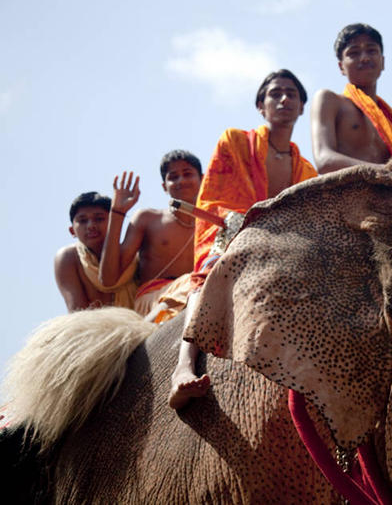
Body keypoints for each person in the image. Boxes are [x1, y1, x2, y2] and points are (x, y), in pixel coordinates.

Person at [169, 69, 318, 410]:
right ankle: (182, 368)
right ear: (260, 106)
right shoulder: (234, 141)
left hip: (283, 249)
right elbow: (214, 200)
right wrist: (246, 224)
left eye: (291, 94)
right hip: (232, 236)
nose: (283, 99)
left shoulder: (307, 170)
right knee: (205, 277)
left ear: (300, 107)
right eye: (275, 93)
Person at [98, 151, 203, 322]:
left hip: (198, 291)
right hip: (154, 299)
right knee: (196, 282)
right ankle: (144, 328)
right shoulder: (148, 219)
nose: (181, 181)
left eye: (187, 174)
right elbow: (108, 279)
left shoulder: (215, 222)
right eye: (173, 177)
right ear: (164, 186)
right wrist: (118, 212)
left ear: (203, 179)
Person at [310, 23, 392, 174]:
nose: (364, 58)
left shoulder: (388, 119)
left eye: (371, 51)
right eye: (354, 53)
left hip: (385, 194)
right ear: (341, 67)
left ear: (382, 62)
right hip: (345, 194)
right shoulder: (329, 100)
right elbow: (324, 160)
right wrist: (385, 171)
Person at [55, 192, 137, 311]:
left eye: (99, 219)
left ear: (113, 223)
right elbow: (77, 312)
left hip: (141, 321)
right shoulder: (69, 257)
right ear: (72, 231)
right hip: (96, 327)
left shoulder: (133, 253)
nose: (90, 226)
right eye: (82, 221)